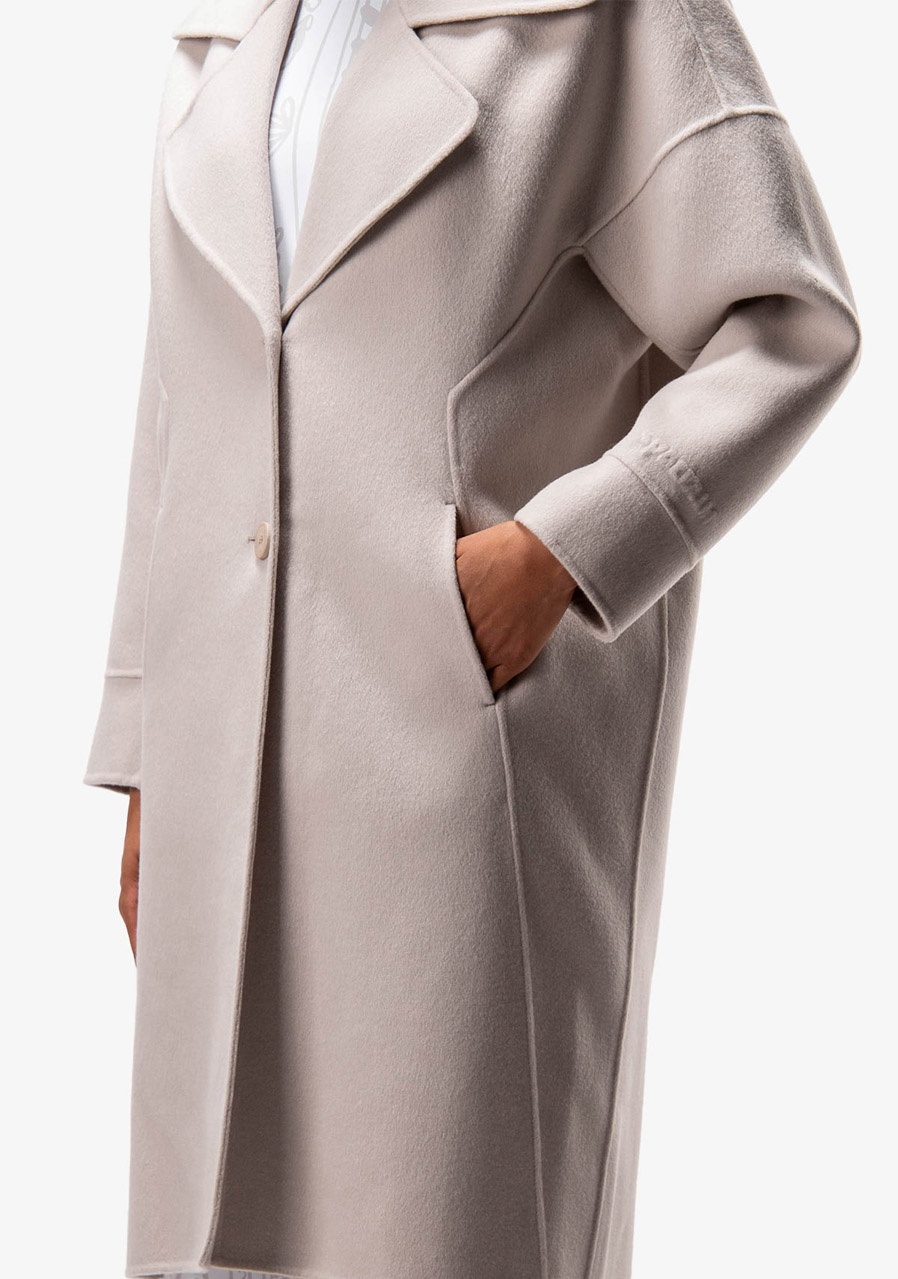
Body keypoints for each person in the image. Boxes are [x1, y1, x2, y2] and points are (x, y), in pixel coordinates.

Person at [85, 0, 862, 1276]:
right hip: (224, 748)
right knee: (215, 1222)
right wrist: (144, 749)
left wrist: (560, 553)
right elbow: (182, 392)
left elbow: (787, 322)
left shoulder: (611, 22)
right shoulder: (227, 28)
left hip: (456, 755)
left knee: (447, 1213)